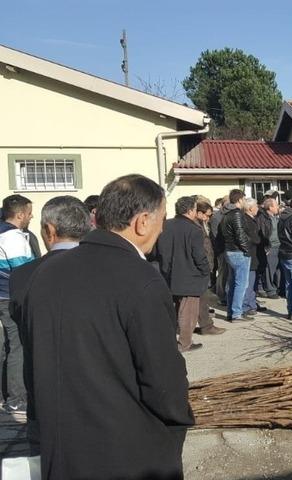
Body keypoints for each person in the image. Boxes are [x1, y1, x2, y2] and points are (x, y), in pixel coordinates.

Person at [25, 174, 193, 479]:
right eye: (162, 219)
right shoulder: (142, 279)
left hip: (62, 447)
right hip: (127, 452)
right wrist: (179, 420)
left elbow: (33, 365)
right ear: (142, 222)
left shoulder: (46, 273)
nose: (163, 228)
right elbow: (162, 380)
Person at [9, 196, 89, 455]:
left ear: (49, 230)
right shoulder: (112, 271)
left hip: (44, 396)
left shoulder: (23, 276)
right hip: (98, 399)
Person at [152, 196, 212, 352]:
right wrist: (206, 270)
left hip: (168, 273)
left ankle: (170, 339)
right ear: (191, 210)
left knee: (173, 310)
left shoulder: (166, 225)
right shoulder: (194, 230)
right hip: (189, 276)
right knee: (188, 313)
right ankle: (185, 343)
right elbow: (199, 255)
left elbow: (156, 250)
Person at [0, 194, 35, 414]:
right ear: (20, 214)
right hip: (9, 298)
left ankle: (6, 393)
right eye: (30, 213)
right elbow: (25, 273)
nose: (31, 217)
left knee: (5, 346)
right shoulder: (14, 238)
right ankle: (16, 398)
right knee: (18, 346)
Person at [193, 199, 225, 336]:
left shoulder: (201, 224)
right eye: (207, 215)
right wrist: (206, 265)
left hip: (205, 265)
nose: (209, 218)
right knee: (202, 298)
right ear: (199, 213)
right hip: (200, 267)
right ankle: (206, 326)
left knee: (202, 298)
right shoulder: (195, 227)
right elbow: (200, 249)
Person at [219, 189, 251, 322]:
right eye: (244, 199)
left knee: (233, 283)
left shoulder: (226, 214)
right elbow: (239, 233)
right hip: (238, 251)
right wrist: (246, 249)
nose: (245, 202)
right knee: (241, 284)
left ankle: (231, 312)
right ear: (239, 200)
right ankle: (237, 313)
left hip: (229, 251)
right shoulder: (237, 214)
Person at [242, 198, 264, 316]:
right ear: (250, 208)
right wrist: (259, 240)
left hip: (255, 254)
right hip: (250, 254)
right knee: (248, 282)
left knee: (253, 281)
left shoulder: (252, 219)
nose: (258, 208)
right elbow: (252, 237)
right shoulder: (247, 221)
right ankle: (246, 305)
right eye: (256, 206)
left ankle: (252, 303)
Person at [257, 198, 281, 299]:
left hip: (278, 246)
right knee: (269, 270)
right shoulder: (263, 218)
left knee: (276, 270)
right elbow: (262, 233)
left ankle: (276, 287)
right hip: (270, 247)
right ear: (270, 207)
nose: (278, 207)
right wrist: (266, 246)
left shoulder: (275, 217)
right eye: (276, 205)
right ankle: (270, 290)